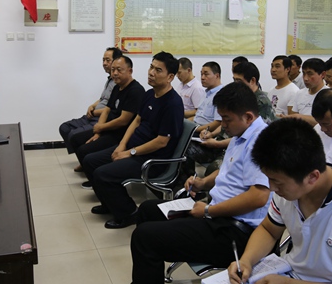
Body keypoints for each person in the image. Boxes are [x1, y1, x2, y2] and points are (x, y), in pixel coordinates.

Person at [130, 82, 271, 284]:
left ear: (248, 117)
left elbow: (258, 197)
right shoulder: (241, 135)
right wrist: (202, 183)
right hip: (217, 214)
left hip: (235, 232)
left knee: (144, 238)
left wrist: (207, 211)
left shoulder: (262, 143)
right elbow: (227, 170)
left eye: (227, 119)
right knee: (147, 210)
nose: (223, 125)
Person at [228, 118, 332, 284]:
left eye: (277, 182)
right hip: (288, 271)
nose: (271, 187)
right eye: (268, 178)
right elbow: (269, 230)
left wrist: (288, 283)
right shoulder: (289, 189)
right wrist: (247, 261)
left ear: (312, 177)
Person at [82, 51, 184, 229]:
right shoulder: (150, 94)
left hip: (151, 159)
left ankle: (129, 213)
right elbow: (137, 120)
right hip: (132, 149)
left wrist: (129, 153)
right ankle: (109, 203)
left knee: (103, 174)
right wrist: (121, 146)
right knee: (90, 161)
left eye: (158, 70)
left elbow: (161, 141)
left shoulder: (173, 104)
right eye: (151, 67)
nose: (151, 72)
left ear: (170, 77)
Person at [71, 55, 145, 181]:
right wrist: (98, 132)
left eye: (119, 70)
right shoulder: (116, 87)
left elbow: (123, 120)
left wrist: (101, 128)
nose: (115, 73)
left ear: (130, 71)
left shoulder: (135, 91)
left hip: (120, 134)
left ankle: (94, 179)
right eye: (113, 70)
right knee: (75, 139)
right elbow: (106, 110)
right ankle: (88, 170)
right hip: (108, 129)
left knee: (84, 151)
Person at [59, 47, 122, 160]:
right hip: (93, 116)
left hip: (101, 119)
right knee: (64, 128)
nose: (104, 63)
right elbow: (103, 99)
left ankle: (84, 159)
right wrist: (92, 106)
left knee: (74, 135)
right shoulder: (109, 80)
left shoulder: (119, 83)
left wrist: (95, 112)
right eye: (103, 60)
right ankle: (82, 157)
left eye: (108, 60)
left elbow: (114, 109)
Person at [179, 62, 224, 180]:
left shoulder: (221, 95)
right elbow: (197, 115)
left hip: (207, 136)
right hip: (197, 130)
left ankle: (189, 181)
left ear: (217, 76)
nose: (202, 77)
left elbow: (218, 123)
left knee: (183, 146)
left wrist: (195, 129)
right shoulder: (206, 92)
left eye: (206, 74)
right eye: (201, 74)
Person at [286, 58, 328, 125]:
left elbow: (326, 121)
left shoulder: (329, 95)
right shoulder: (299, 93)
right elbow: (293, 118)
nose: (305, 78)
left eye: (310, 74)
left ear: (322, 74)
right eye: (304, 73)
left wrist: (299, 117)